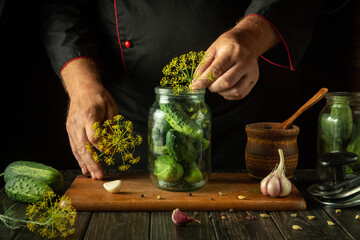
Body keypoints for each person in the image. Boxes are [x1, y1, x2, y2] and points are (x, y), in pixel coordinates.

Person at [41, 0, 321, 180]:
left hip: (231, 119)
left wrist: (251, 34)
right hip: (125, 120)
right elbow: (60, 7)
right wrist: (81, 85)